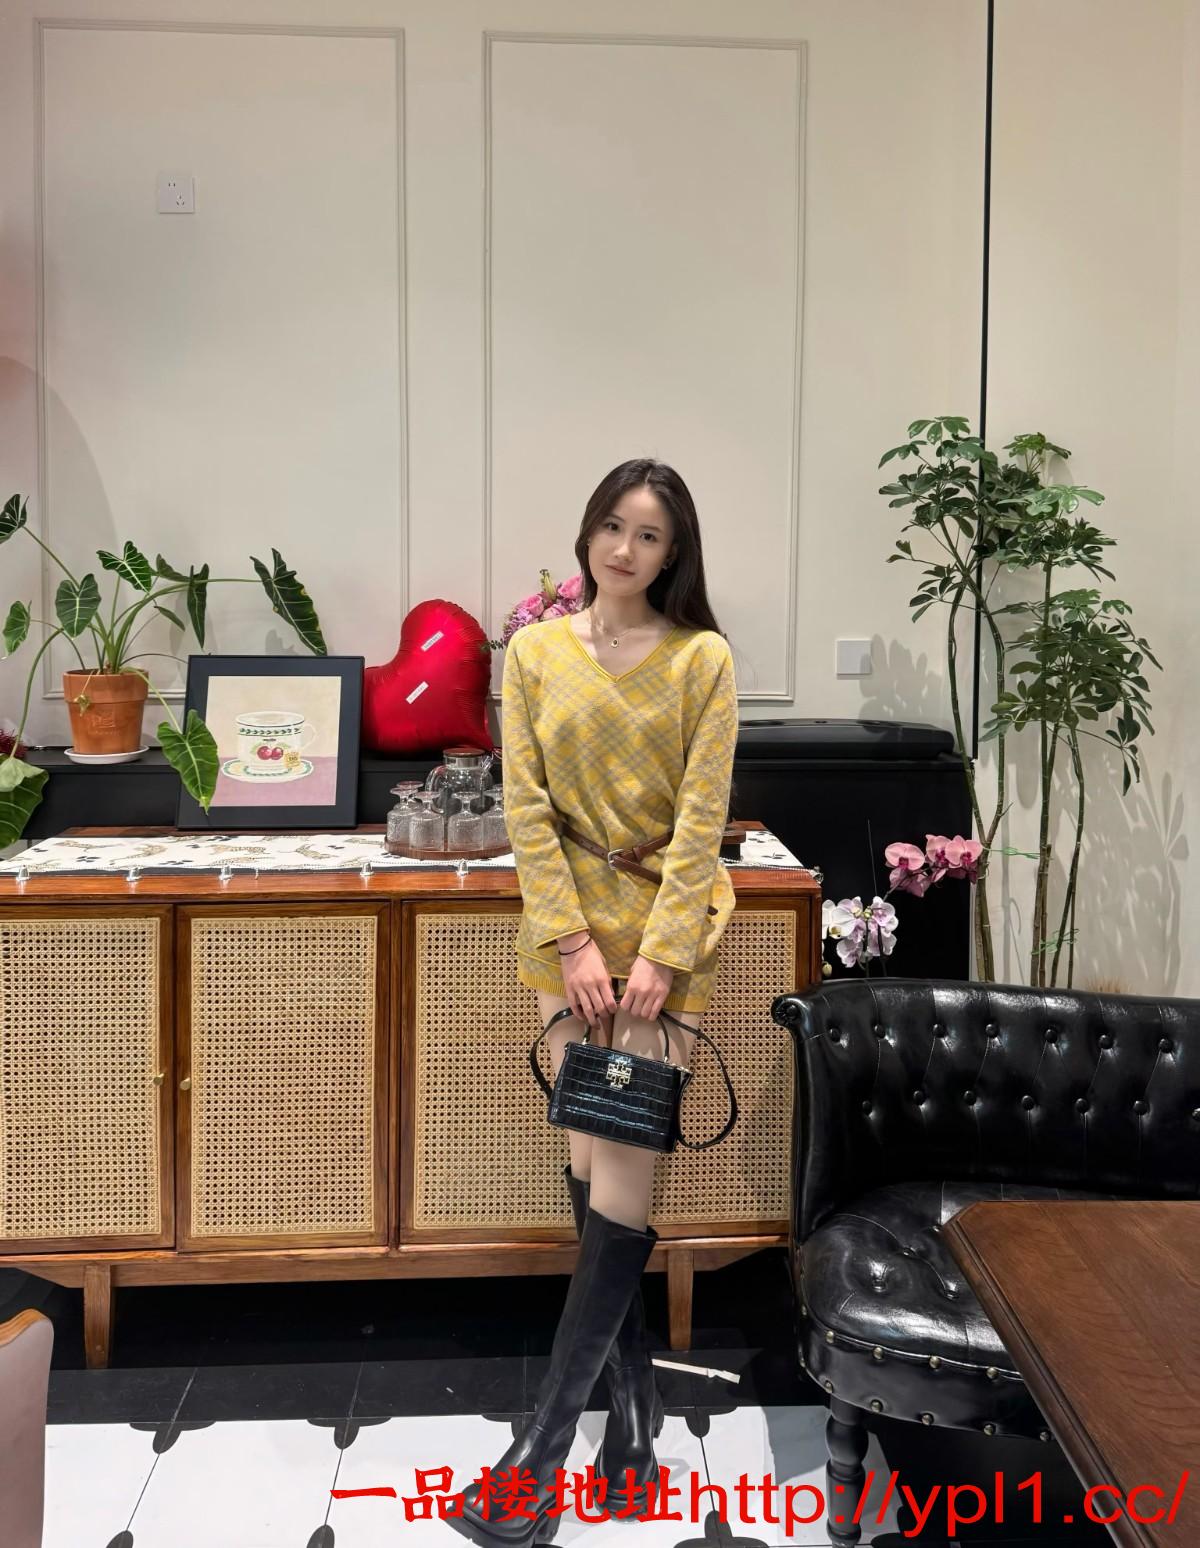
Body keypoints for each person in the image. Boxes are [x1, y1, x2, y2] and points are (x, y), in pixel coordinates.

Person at [447, 457, 738, 1547]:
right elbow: (525, 806)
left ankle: (539, 1456)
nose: (625, 549)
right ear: (587, 533)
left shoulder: (702, 659)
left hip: (663, 942)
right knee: (588, 1167)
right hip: (566, 943)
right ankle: (636, 1423)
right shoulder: (532, 653)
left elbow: (703, 818)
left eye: (649, 534)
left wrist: (659, 956)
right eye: (612, 526)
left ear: (674, 553)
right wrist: (573, 940)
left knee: (619, 1173)